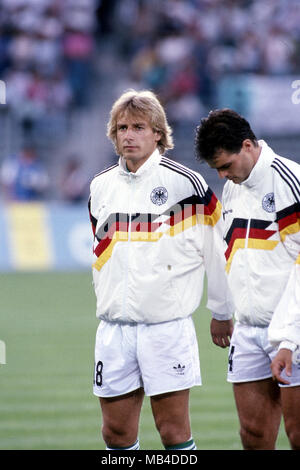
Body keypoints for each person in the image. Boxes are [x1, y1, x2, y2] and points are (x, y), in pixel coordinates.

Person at [88, 90, 233, 451]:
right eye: (121, 128)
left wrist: (222, 311)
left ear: (158, 133)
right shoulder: (100, 186)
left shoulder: (187, 185)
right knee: (115, 434)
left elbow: (216, 252)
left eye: (138, 127)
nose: (128, 135)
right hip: (113, 330)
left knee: (173, 432)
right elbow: (100, 254)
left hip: (166, 328)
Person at [194, 108, 300, 450]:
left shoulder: (289, 182)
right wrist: (223, 311)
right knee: (253, 438)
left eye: (226, 165)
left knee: (298, 436)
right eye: (217, 169)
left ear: (247, 145)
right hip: (249, 329)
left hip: (292, 331)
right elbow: (230, 254)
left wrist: (288, 339)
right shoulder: (235, 189)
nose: (223, 175)